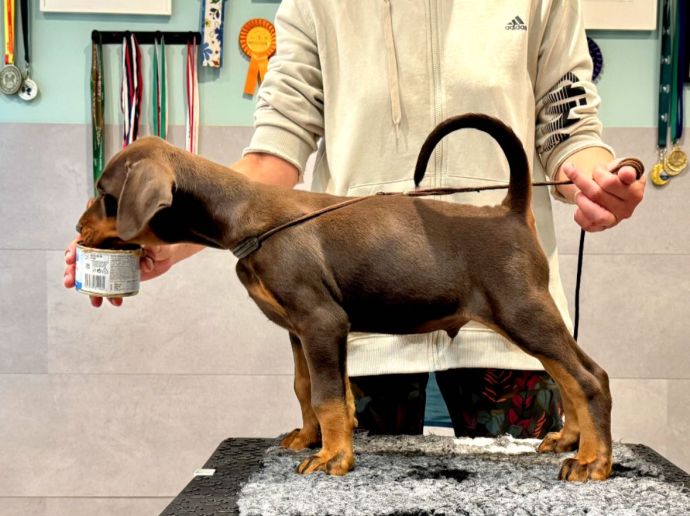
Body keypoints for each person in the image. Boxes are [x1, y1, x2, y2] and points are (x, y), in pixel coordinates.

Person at [65, 1, 645, 439]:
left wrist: (598, 177)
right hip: (365, 335)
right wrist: (165, 241)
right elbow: (272, 156)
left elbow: (570, 129)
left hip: (504, 340)